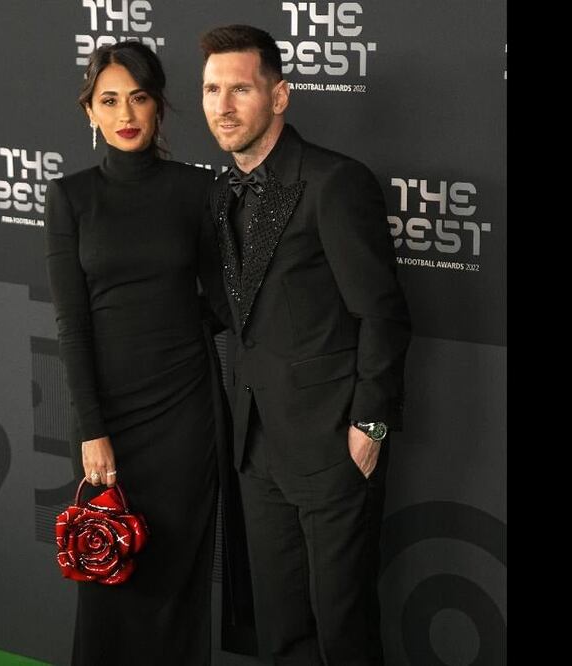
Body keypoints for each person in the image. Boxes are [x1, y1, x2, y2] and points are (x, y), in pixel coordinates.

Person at [198, 25, 412, 665]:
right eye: (211, 89)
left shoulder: (333, 183)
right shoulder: (218, 191)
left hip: (331, 445)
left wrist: (369, 424)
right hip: (255, 446)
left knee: (343, 631)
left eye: (241, 88)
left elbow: (383, 314)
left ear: (280, 95)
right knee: (283, 630)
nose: (223, 106)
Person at [45, 41, 239, 666]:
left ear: (159, 108)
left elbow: (225, 299)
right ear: (90, 113)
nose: (125, 112)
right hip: (111, 421)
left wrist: (175, 330)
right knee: (111, 575)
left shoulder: (198, 190)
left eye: (139, 97)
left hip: (186, 411)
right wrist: (92, 430)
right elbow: (72, 324)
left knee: (177, 579)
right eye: (109, 100)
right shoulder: (70, 199)